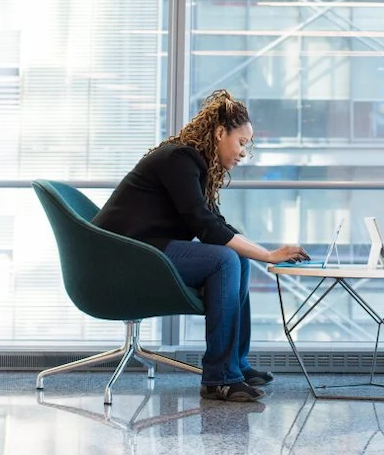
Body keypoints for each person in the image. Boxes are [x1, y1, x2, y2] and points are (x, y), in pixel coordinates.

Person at [93, 90, 309, 403]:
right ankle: (219, 378)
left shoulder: (193, 163)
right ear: (220, 133)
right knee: (224, 259)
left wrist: (265, 253)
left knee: (235, 257)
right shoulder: (179, 159)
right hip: (123, 256)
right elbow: (206, 229)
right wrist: (267, 256)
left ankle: (236, 365)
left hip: (145, 250)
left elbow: (215, 224)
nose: (243, 153)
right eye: (242, 143)